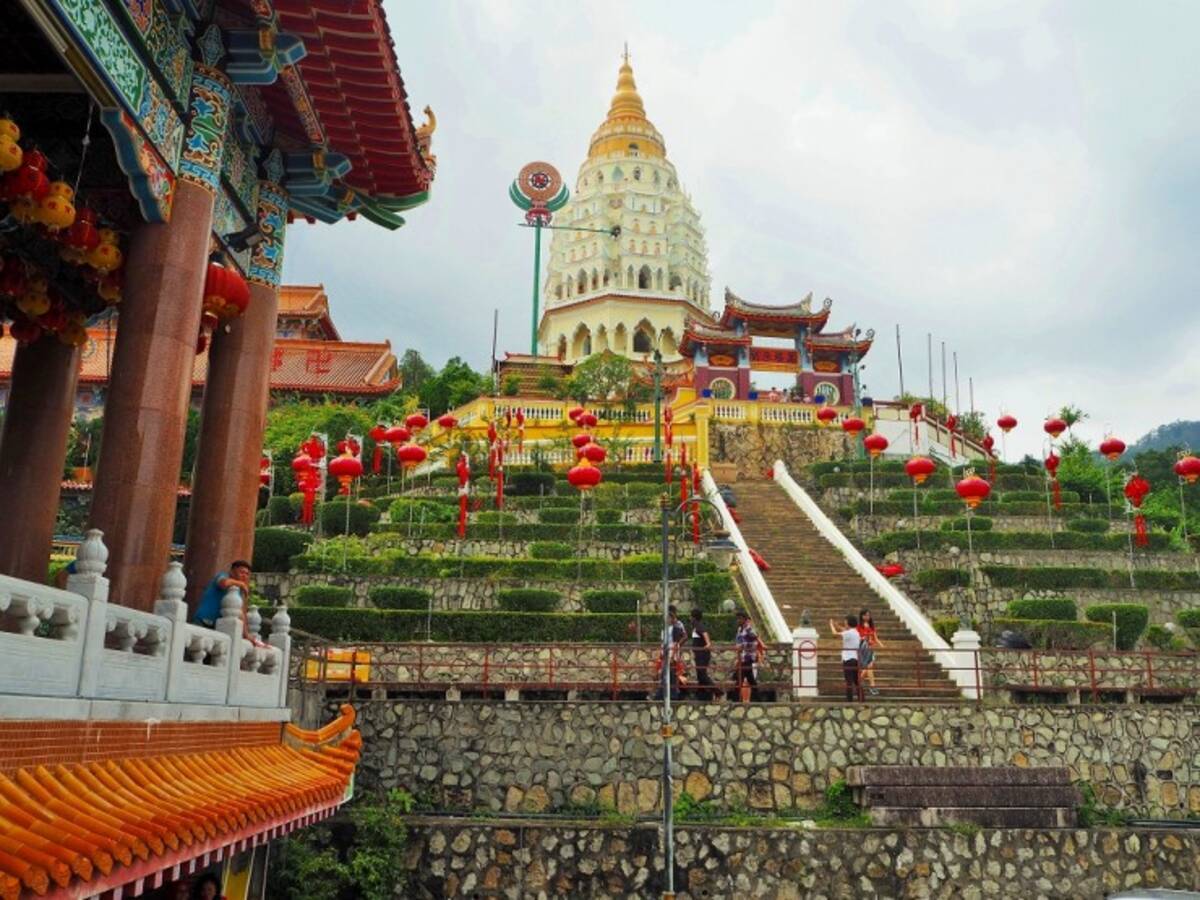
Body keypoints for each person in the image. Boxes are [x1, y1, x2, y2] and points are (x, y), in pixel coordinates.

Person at [193, 560, 254, 640]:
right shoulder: (222, 575)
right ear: (232, 572)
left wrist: (246, 635)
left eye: (247, 574)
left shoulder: (237, 590)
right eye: (242, 572)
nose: (244, 576)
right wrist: (241, 584)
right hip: (202, 621)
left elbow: (240, 613)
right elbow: (224, 583)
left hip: (217, 626)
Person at [654, 606, 687, 700]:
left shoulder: (676, 628)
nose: (667, 619)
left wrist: (673, 654)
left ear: (672, 618)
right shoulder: (665, 628)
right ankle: (669, 694)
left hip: (671, 652)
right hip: (665, 652)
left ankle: (663, 694)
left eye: (668, 618)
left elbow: (676, 642)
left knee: (669, 673)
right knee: (667, 673)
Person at [830, 614, 864, 702]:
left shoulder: (848, 633)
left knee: (849, 681)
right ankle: (862, 699)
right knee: (856, 681)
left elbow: (835, 634)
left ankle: (849, 700)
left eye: (845, 622)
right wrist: (838, 626)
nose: (844, 623)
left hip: (848, 659)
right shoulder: (856, 632)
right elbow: (844, 631)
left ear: (848, 623)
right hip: (856, 659)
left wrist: (831, 625)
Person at [734, 609, 763, 703]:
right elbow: (738, 642)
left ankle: (737, 700)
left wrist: (743, 646)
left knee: (739, 677)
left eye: (740, 619)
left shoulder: (748, 629)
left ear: (744, 619)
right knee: (749, 678)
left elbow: (755, 639)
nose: (738, 621)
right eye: (737, 619)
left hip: (748, 656)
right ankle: (757, 699)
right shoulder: (740, 629)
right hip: (742, 657)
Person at [689, 609, 718, 701]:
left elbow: (705, 634)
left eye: (690, 616)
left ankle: (718, 692)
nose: (689, 618)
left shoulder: (699, 626)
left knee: (702, 674)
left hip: (702, 654)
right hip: (699, 654)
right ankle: (702, 695)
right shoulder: (695, 627)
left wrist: (708, 643)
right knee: (700, 675)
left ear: (693, 618)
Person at [857, 609, 884, 696]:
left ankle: (858, 681)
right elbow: (857, 637)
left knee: (868, 667)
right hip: (863, 648)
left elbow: (875, 638)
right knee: (869, 667)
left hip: (870, 648)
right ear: (862, 616)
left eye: (868, 615)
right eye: (865, 615)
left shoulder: (871, 626)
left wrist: (881, 645)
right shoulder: (858, 626)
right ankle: (872, 686)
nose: (867, 617)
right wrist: (863, 638)